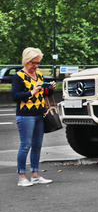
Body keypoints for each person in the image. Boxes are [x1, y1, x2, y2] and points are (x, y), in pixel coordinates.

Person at [11, 48, 57, 187]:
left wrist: (50, 89)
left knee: (37, 146)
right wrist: (32, 91)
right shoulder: (19, 76)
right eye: (33, 63)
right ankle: (22, 177)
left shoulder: (38, 75)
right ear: (26, 61)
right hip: (25, 116)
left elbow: (43, 94)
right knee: (25, 146)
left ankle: (35, 174)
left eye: (38, 63)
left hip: (39, 114)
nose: (36, 66)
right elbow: (15, 96)